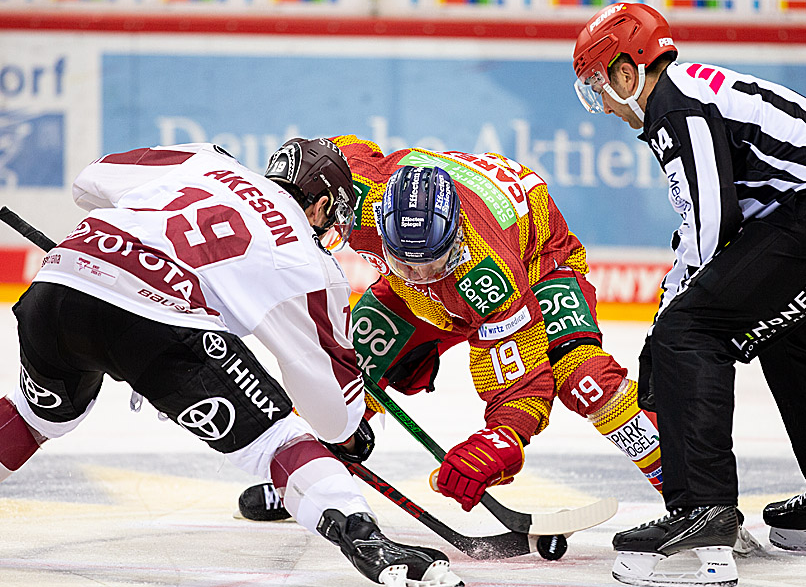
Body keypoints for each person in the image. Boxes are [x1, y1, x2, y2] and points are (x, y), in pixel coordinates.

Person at [0, 139, 463, 587]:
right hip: (154, 324)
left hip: (58, 286)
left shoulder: (206, 161)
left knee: (38, 413)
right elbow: (330, 412)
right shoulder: (306, 258)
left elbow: (91, 181)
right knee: (279, 440)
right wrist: (350, 433)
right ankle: (368, 542)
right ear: (320, 205)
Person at [572, 2, 806, 587]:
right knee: (793, 339)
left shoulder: (675, 106)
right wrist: (670, 316)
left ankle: (702, 512)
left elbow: (710, 228)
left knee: (690, 333)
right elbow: (711, 231)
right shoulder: (693, 93)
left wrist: (665, 335)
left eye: (598, 85)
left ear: (626, 70)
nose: (604, 106)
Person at [270, 135, 666, 515]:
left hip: (536, 262)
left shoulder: (485, 271)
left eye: (430, 263)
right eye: (404, 263)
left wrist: (501, 440)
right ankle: (305, 473)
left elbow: (521, 381)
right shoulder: (345, 185)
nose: (420, 276)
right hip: (418, 282)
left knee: (585, 379)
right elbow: (338, 154)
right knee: (343, 369)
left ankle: (688, 489)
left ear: (456, 238)